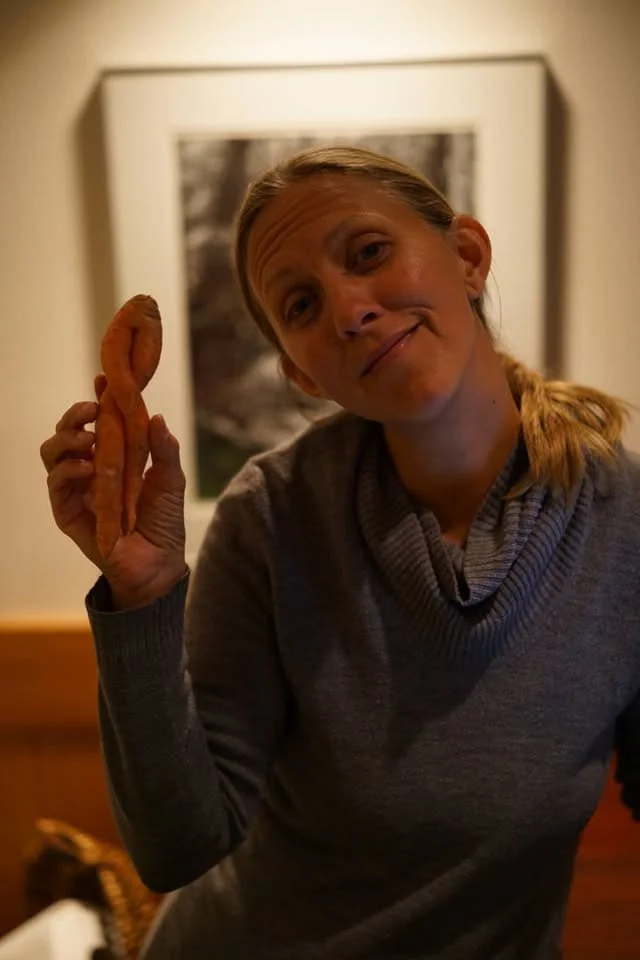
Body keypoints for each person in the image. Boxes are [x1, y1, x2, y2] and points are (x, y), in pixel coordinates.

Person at [40, 145, 640, 959]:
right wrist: (142, 596)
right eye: (302, 304)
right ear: (303, 373)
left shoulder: (621, 521)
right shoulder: (274, 516)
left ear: (467, 256)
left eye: (369, 253)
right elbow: (180, 846)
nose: (350, 310)